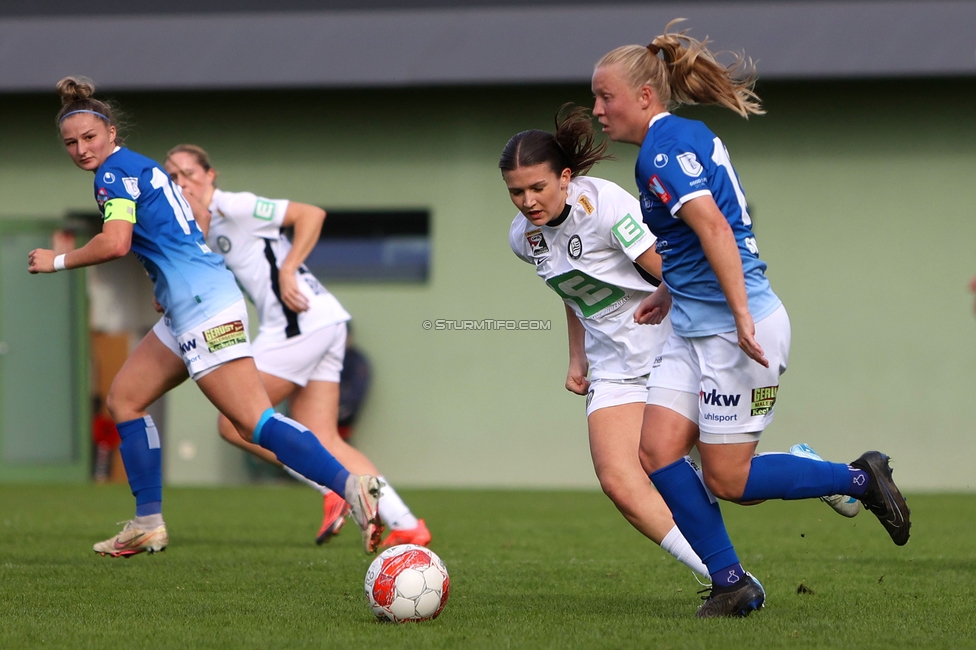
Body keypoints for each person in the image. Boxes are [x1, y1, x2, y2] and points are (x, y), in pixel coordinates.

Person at [590, 22, 911, 617]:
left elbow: (714, 226)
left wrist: (740, 315)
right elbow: (694, 242)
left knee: (729, 481)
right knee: (657, 452)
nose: (597, 110)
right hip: (694, 326)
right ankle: (732, 582)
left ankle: (858, 479)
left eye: (605, 97)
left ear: (644, 96)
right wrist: (669, 291)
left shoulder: (662, 149)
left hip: (742, 333)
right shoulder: (679, 137)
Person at [29, 77, 383, 557]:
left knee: (252, 423)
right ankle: (147, 523)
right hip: (190, 301)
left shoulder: (112, 174)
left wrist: (58, 261)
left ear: (111, 132)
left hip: (202, 305)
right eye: (70, 143)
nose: (80, 148)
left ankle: (351, 487)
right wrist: (166, 284)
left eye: (89, 137)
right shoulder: (140, 168)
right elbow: (184, 228)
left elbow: (116, 242)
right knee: (125, 399)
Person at [162, 144, 430, 549]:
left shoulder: (235, 206)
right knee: (327, 439)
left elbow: (311, 214)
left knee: (235, 423)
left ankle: (334, 489)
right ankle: (408, 525)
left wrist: (288, 271)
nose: (183, 182)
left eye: (190, 173)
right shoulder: (200, 225)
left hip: (300, 323)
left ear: (211, 175)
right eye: (174, 177)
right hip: (323, 321)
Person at [501, 106, 709, 579]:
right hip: (614, 367)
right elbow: (572, 290)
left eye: (538, 187)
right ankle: (720, 575)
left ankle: (814, 470)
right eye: (516, 192)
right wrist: (576, 358)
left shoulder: (604, 206)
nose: (528, 201)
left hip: (674, 349)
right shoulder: (523, 238)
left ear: (565, 177)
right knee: (618, 478)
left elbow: (674, 269)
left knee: (730, 479)